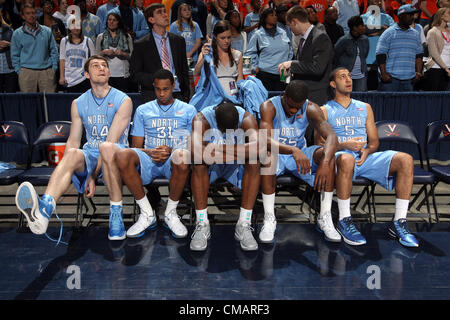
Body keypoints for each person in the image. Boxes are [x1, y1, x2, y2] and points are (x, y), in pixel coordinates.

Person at [15, 55, 133, 241]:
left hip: (116, 156)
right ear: (87, 74)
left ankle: (116, 217)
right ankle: (45, 210)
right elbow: (73, 140)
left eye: (104, 66)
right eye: (96, 66)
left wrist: (92, 175)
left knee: (107, 148)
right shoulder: (78, 103)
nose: (102, 68)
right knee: (70, 153)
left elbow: (110, 142)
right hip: (91, 155)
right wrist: (67, 168)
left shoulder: (123, 100)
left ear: (109, 73)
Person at [318, 67, 419, 248]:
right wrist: (344, 145)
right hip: (340, 157)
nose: (348, 79)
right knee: (346, 158)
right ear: (333, 84)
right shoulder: (324, 110)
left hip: (364, 157)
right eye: (343, 77)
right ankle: (344, 219)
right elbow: (319, 144)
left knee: (406, 159)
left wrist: (367, 151)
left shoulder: (365, 107)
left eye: (349, 76)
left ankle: (399, 222)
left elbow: (374, 142)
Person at [113, 69, 197, 239]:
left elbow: (193, 146)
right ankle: (146, 213)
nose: (161, 93)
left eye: (165, 89)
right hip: (149, 158)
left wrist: (171, 151)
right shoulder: (143, 110)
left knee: (182, 155)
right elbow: (136, 146)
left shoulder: (189, 110)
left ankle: (170, 213)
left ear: (173, 86)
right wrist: (150, 151)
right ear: (154, 87)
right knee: (123, 155)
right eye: (158, 89)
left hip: (174, 160)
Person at [259, 80, 339, 243]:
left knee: (328, 156)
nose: (293, 110)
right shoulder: (269, 107)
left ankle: (325, 217)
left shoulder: (311, 108)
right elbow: (265, 141)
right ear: (284, 96)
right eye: (290, 106)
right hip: (278, 154)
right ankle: (269, 218)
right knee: (267, 156)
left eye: (298, 107)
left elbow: (331, 136)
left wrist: (324, 163)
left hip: (300, 155)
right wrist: (292, 150)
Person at [189, 102, 260, 251]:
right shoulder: (201, 119)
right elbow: (196, 152)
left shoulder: (247, 118)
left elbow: (258, 148)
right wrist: (239, 152)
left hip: (231, 164)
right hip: (213, 165)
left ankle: (244, 224)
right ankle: (202, 224)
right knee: (198, 163)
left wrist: (218, 149)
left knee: (254, 162)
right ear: (215, 118)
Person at [130, 3, 190, 103]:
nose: (165, 15)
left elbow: (184, 70)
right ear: (151, 19)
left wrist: (186, 94)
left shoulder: (178, 41)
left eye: (164, 11)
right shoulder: (141, 45)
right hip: (153, 97)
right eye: (159, 12)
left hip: (178, 95)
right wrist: (159, 81)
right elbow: (135, 75)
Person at [278, 6, 333, 106]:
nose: (290, 30)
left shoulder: (320, 37)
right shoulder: (304, 39)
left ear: (294, 22)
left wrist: (292, 64)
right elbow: (305, 65)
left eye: (290, 26)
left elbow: (318, 68)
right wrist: (290, 72)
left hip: (317, 96)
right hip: (305, 95)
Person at [10, 3, 59, 93]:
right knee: (28, 104)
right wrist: (19, 71)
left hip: (46, 71)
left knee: (48, 103)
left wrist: (54, 68)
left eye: (33, 13)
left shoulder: (47, 31)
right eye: (28, 13)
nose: (31, 16)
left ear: (36, 14)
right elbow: (14, 55)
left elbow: (54, 50)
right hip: (26, 72)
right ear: (23, 16)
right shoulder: (17, 33)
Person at [376, 4, 423, 92]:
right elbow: (380, 54)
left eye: (413, 15)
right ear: (401, 16)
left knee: (407, 105)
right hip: (391, 79)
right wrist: (384, 74)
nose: (412, 17)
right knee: (389, 105)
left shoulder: (415, 34)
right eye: (409, 15)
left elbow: (419, 55)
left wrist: (419, 73)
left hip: (409, 79)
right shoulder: (389, 33)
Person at [245, 7, 292, 91]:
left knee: (284, 99)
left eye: (275, 15)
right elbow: (247, 55)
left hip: (284, 72)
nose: (275, 17)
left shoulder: (283, 32)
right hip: (265, 74)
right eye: (271, 15)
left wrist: (288, 68)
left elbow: (290, 50)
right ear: (265, 18)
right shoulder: (258, 35)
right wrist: (252, 69)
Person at [194, 20, 244, 97]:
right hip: (212, 96)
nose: (226, 41)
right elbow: (196, 73)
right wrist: (204, 58)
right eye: (222, 38)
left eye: (229, 37)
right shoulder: (207, 53)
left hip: (233, 96)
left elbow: (240, 78)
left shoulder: (237, 54)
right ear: (215, 36)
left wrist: (238, 95)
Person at [96, 13, 133, 92]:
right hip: (106, 75)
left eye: (114, 20)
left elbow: (132, 56)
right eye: (109, 20)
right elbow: (95, 57)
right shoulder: (100, 37)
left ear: (118, 22)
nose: (111, 22)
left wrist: (123, 53)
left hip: (122, 76)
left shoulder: (127, 36)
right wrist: (103, 52)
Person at [60, 15, 96, 92]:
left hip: (83, 79)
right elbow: (62, 60)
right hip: (68, 79)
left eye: (78, 25)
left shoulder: (87, 41)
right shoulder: (64, 41)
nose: (76, 27)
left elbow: (93, 60)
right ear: (69, 27)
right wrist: (62, 77)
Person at [333, 15, 369, 91]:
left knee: (360, 100)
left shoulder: (365, 39)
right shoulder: (343, 40)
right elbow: (335, 56)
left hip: (361, 76)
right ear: (355, 28)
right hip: (346, 76)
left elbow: (365, 55)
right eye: (361, 25)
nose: (364, 27)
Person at [423, 7, 450, 90]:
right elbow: (433, 53)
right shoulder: (432, 32)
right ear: (441, 16)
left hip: (449, 68)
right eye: (449, 13)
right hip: (436, 68)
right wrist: (445, 68)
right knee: (434, 97)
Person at [0, 12, 17, 92]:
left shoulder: (9, 30)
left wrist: (9, 44)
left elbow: (18, 46)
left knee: (11, 98)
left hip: (9, 69)